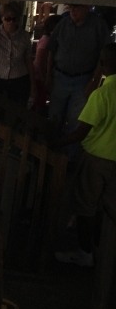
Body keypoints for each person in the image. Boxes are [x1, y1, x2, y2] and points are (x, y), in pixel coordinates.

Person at [55, 43, 116, 267]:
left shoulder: (102, 95)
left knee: (86, 208)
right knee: (108, 208)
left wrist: (56, 141)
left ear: (102, 65)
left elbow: (80, 132)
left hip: (97, 159)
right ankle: (104, 251)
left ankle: (85, 252)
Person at [46, 4, 112, 137]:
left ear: (87, 7)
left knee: (75, 120)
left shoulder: (98, 25)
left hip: (83, 79)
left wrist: (95, 81)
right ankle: (48, 149)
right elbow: (51, 50)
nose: (73, 11)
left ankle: (69, 155)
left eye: (77, 8)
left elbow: (104, 56)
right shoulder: (63, 24)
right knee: (54, 116)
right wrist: (48, 76)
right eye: (71, 8)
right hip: (60, 76)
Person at [32, 15, 59, 112]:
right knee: (38, 103)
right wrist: (45, 78)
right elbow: (40, 62)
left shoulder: (47, 39)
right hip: (40, 77)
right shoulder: (47, 40)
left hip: (40, 76)